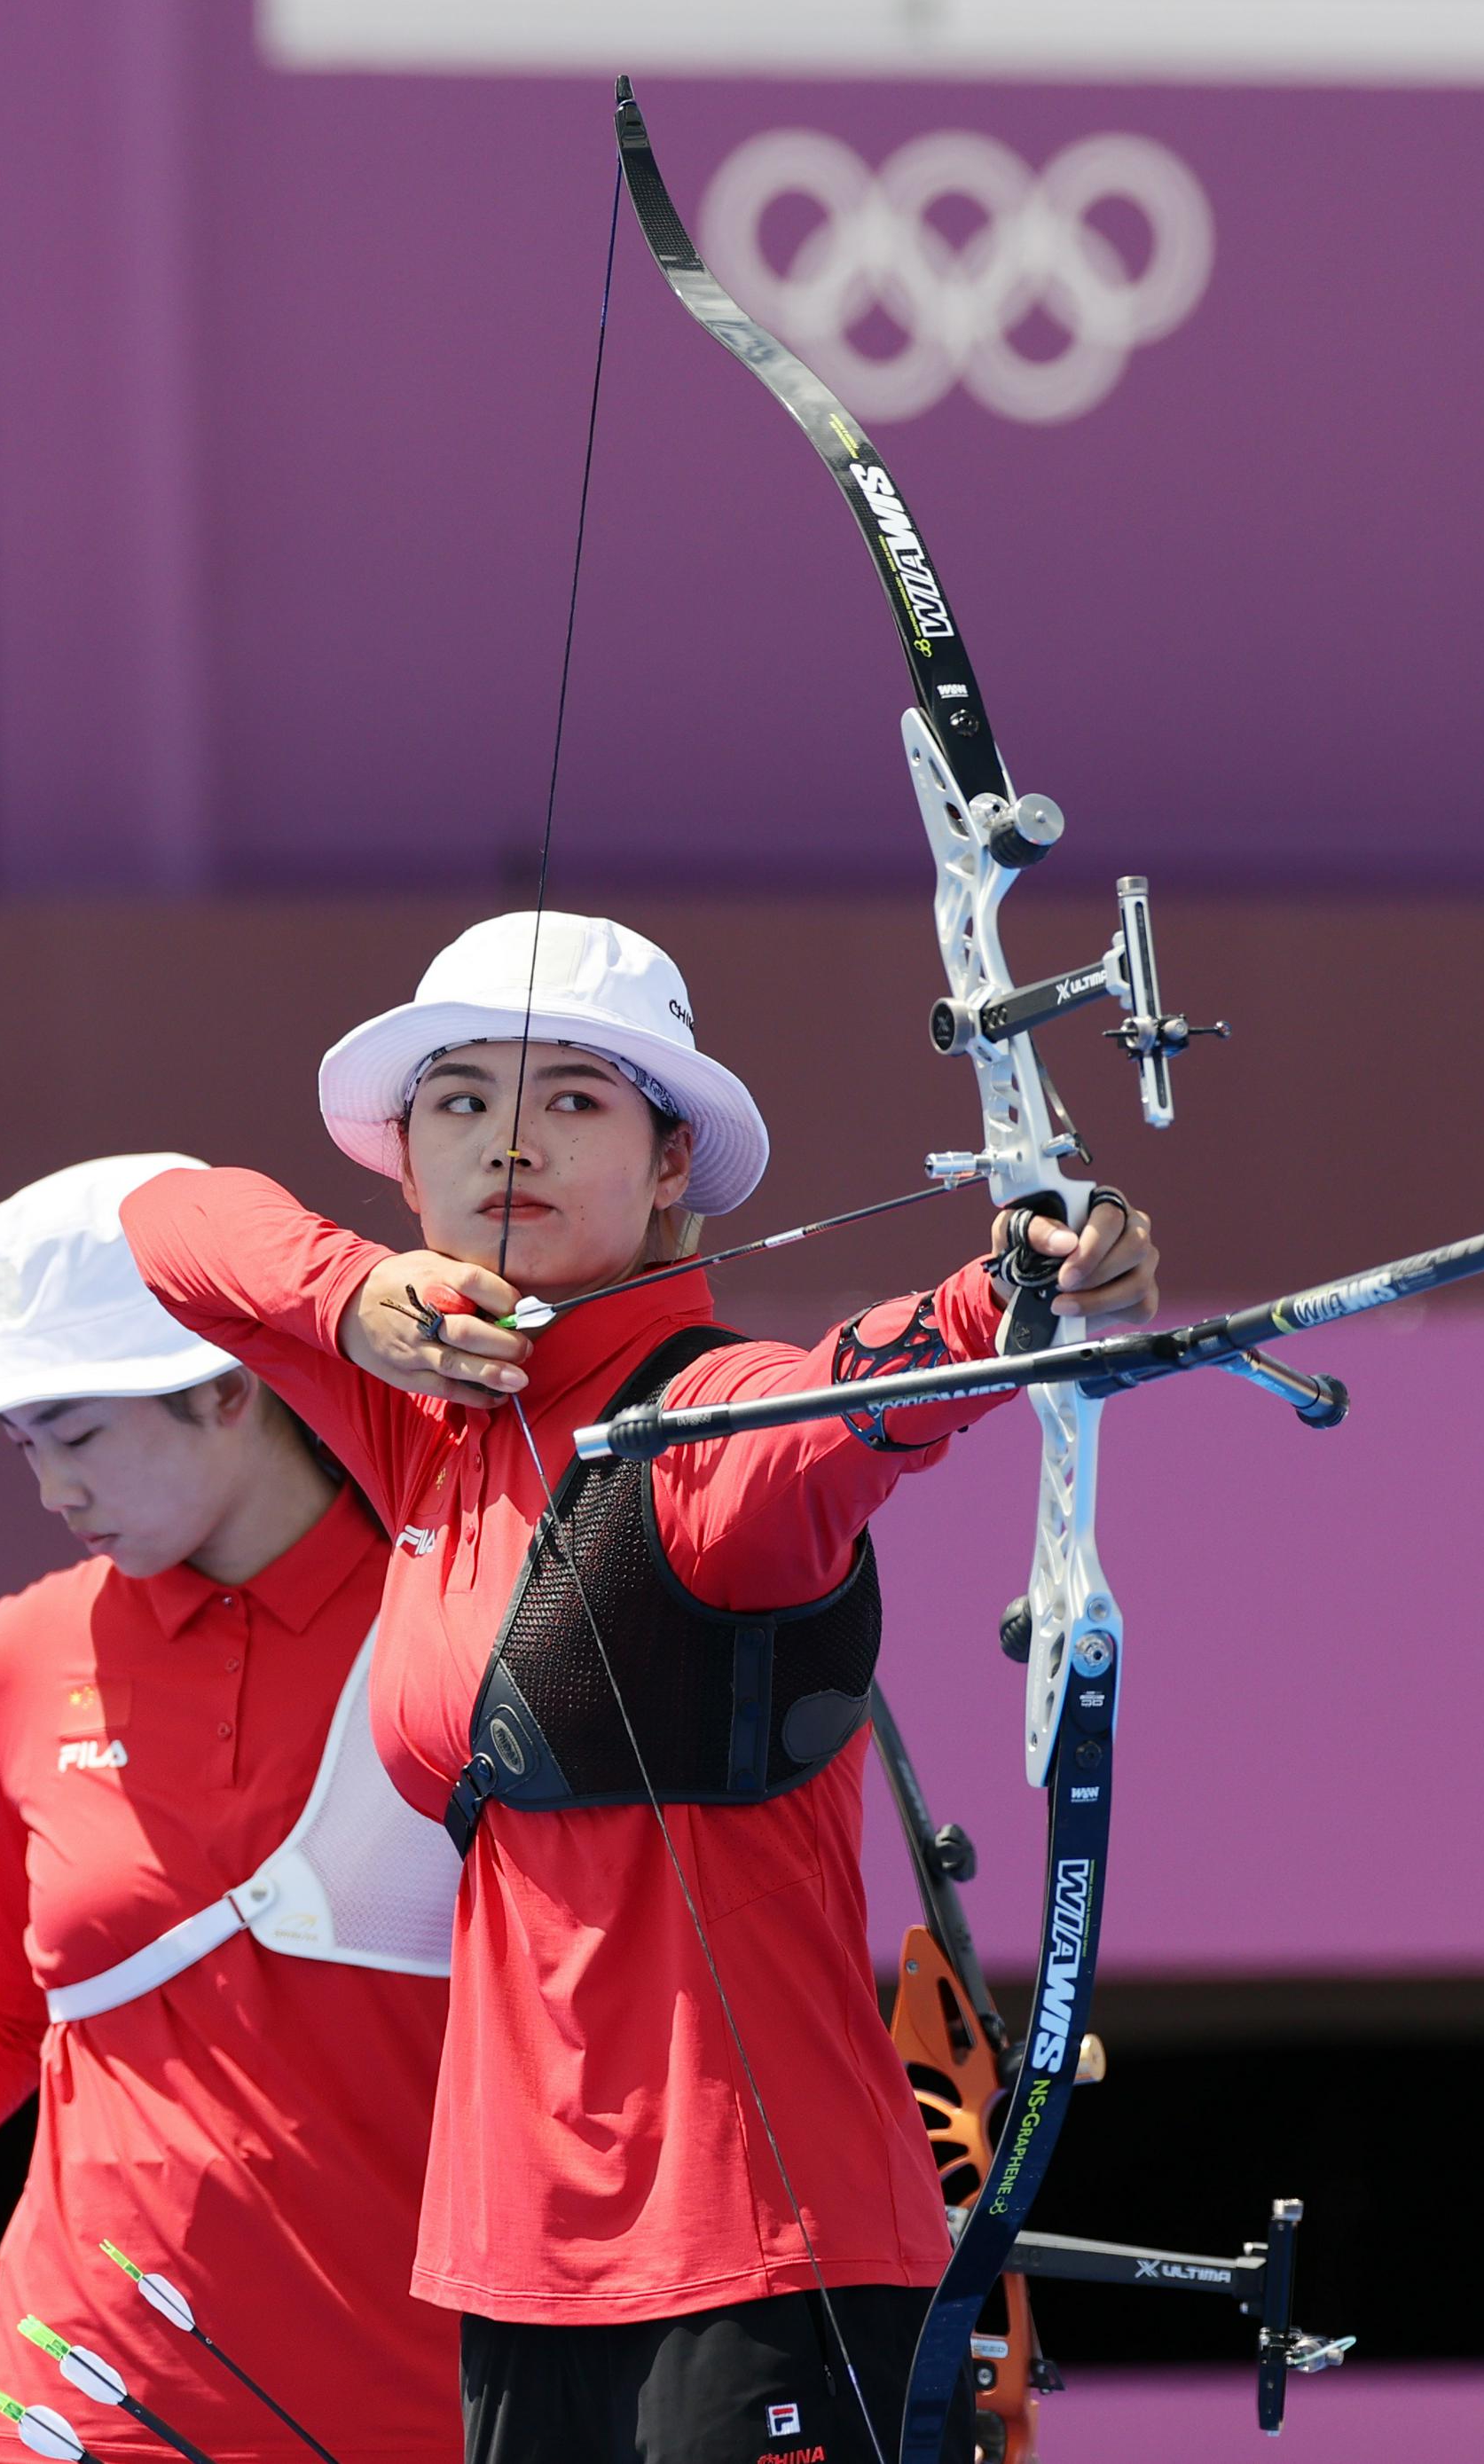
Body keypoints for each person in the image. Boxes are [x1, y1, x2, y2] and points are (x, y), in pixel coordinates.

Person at [120, 913, 1161, 2464]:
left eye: (575, 1101)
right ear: (404, 1163)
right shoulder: (425, 1416)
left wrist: (1005, 1291)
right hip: (520, 2256)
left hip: (764, 2249)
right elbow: (167, 1217)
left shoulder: (708, 1425)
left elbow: (844, 1400)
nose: (508, 1140)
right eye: (459, 1100)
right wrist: (352, 1300)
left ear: (673, 1165)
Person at [0, 1155, 464, 2464]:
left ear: (227, 1383)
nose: (52, 1492)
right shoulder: (16, 1652)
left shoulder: (462, 1623)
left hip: (414, 2418)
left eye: (80, 1435)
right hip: (62, 2413)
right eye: (25, 1444)